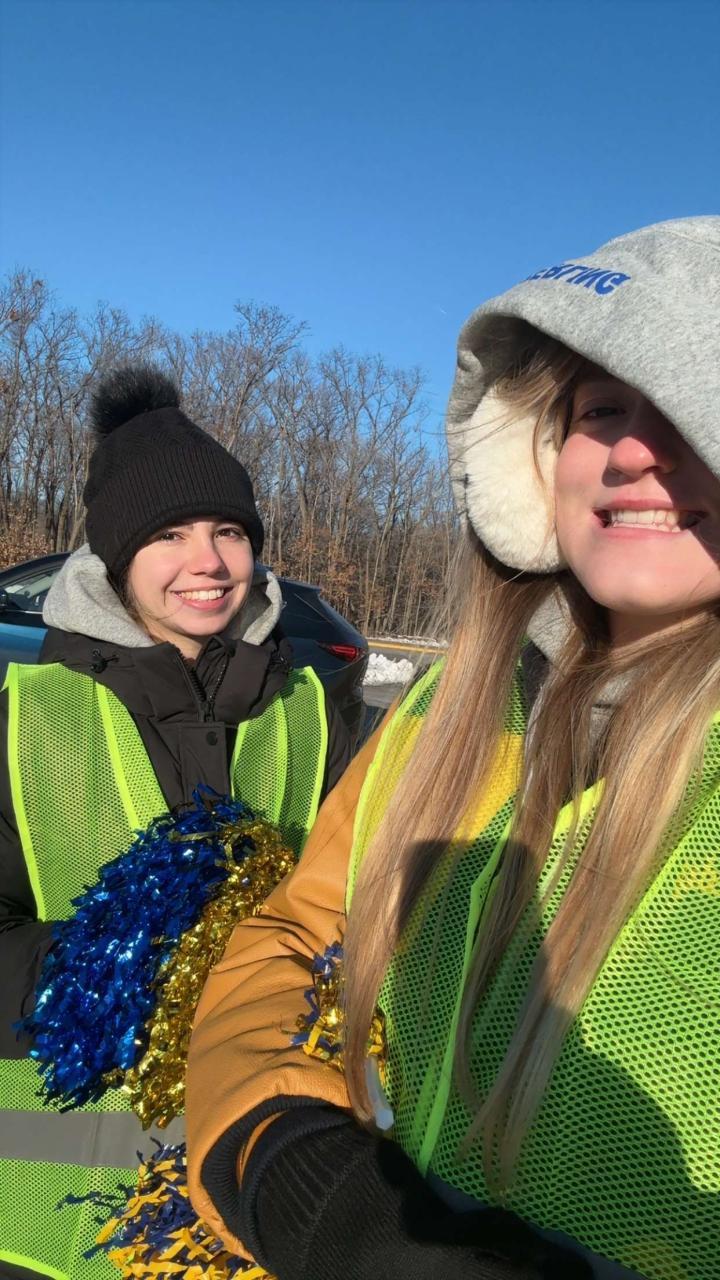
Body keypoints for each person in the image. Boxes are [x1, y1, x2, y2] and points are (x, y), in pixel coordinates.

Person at [185, 216, 720, 1280]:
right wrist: (296, 1171)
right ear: (537, 459)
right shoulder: (446, 708)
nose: (633, 450)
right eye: (600, 409)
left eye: (693, 404)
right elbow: (300, 932)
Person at [0, 365, 350, 1280]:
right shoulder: (24, 716)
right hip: (48, 1229)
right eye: (169, 535)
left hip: (249, 1210)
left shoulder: (315, 714)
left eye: (228, 531)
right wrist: (118, 973)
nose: (209, 562)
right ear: (117, 558)